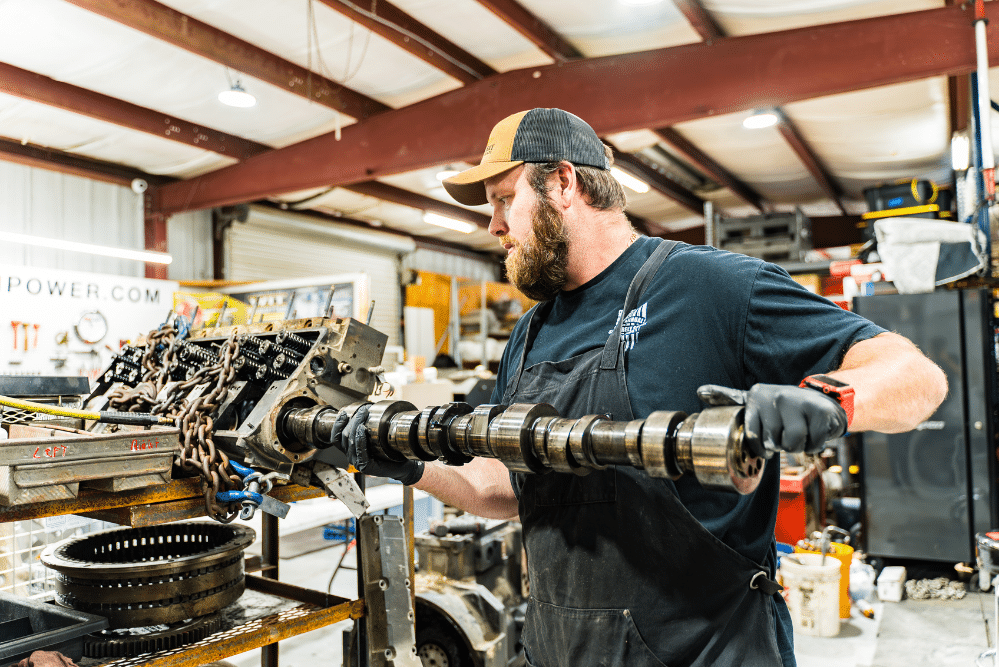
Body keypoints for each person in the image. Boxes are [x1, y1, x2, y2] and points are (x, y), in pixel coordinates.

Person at [332, 108, 948, 667]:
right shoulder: (529, 332)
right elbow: (506, 486)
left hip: (709, 652)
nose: (491, 224)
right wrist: (402, 459)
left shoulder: (712, 288)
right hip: (559, 651)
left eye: (502, 198)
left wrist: (832, 399)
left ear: (564, 185)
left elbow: (916, 374)